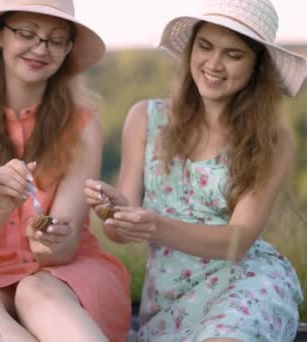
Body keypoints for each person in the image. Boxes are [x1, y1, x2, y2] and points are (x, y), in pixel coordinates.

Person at [84, 0, 307, 340]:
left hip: (248, 284)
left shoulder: (272, 140)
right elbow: (119, 232)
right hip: (170, 298)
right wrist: (113, 210)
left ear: (256, 66)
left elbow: (238, 242)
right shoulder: (145, 119)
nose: (214, 64)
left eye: (234, 55)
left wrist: (154, 224)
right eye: (205, 47)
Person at [0, 1, 132, 341]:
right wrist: (1, 207)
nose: (41, 48)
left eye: (56, 40)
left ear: (68, 49)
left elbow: (63, 250)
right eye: (27, 34)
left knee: (35, 290)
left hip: (66, 277)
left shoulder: (83, 123)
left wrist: (47, 241)